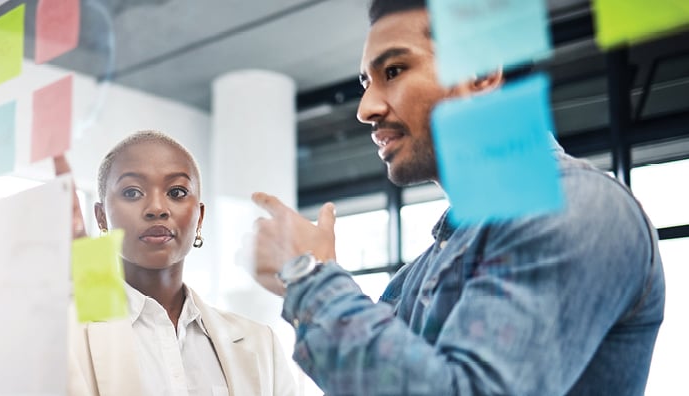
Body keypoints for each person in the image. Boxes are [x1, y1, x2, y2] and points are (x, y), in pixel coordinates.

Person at [248, 1, 666, 394]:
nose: (366, 108)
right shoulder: (415, 277)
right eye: (365, 83)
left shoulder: (573, 203)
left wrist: (309, 276)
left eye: (393, 71)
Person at [64, 131, 297, 396]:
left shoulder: (260, 344)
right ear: (101, 216)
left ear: (199, 217)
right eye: (132, 192)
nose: (156, 208)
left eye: (176, 192)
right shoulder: (62, 339)